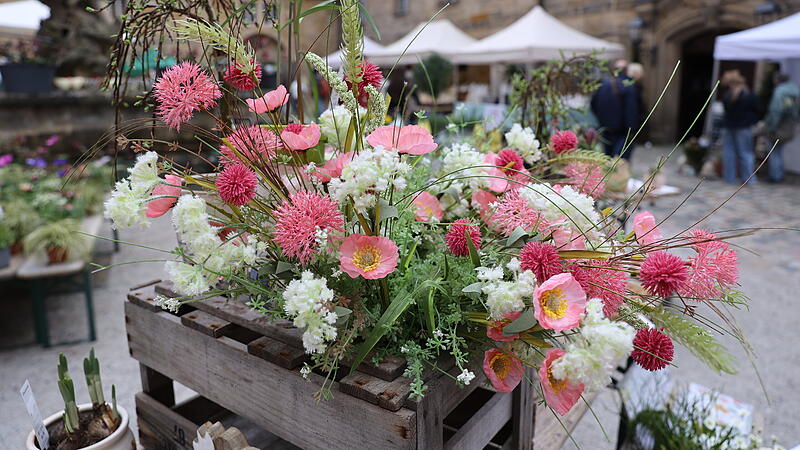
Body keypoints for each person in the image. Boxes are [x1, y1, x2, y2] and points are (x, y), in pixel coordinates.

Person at [590, 60, 639, 160]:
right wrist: (632, 130)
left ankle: (608, 175)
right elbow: (631, 110)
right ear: (626, 70)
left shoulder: (603, 84)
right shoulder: (628, 85)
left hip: (605, 128)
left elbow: (593, 104)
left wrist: (601, 120)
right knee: (620, 162)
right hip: (622, 131)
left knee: (608, 159)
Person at [720, 70, 758, 185]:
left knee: (729, 152)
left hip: (730, 126)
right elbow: (757, 109)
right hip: (744, 127)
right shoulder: (749, 94)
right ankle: (749, 179)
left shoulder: (728, 95)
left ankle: (729, 178)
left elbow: (726, 111)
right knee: (745, 153)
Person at [763, 72, 800, 183]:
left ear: (777, 80)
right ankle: (779, 173)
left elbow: (775, 111)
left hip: (779, 126)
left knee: (773, 151)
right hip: (790, 125)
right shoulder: (795, 91)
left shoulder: (780, 92)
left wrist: (771, 128)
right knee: (778, 151)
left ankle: (775, 176)